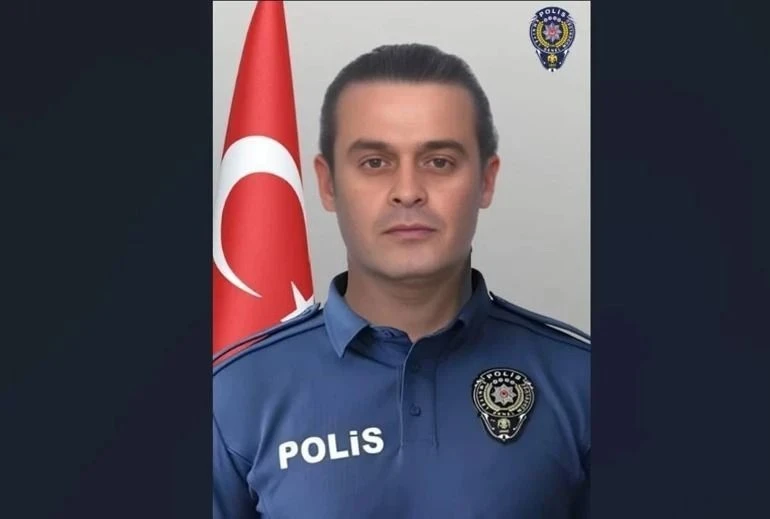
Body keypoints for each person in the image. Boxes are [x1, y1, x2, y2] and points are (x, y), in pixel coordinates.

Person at [213, 43, 590, 518]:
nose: (408, 191)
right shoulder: (234, 393)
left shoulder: (580, 382)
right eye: (375, 162)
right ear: (328, 184)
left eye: (439, 161)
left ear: (486, 180)